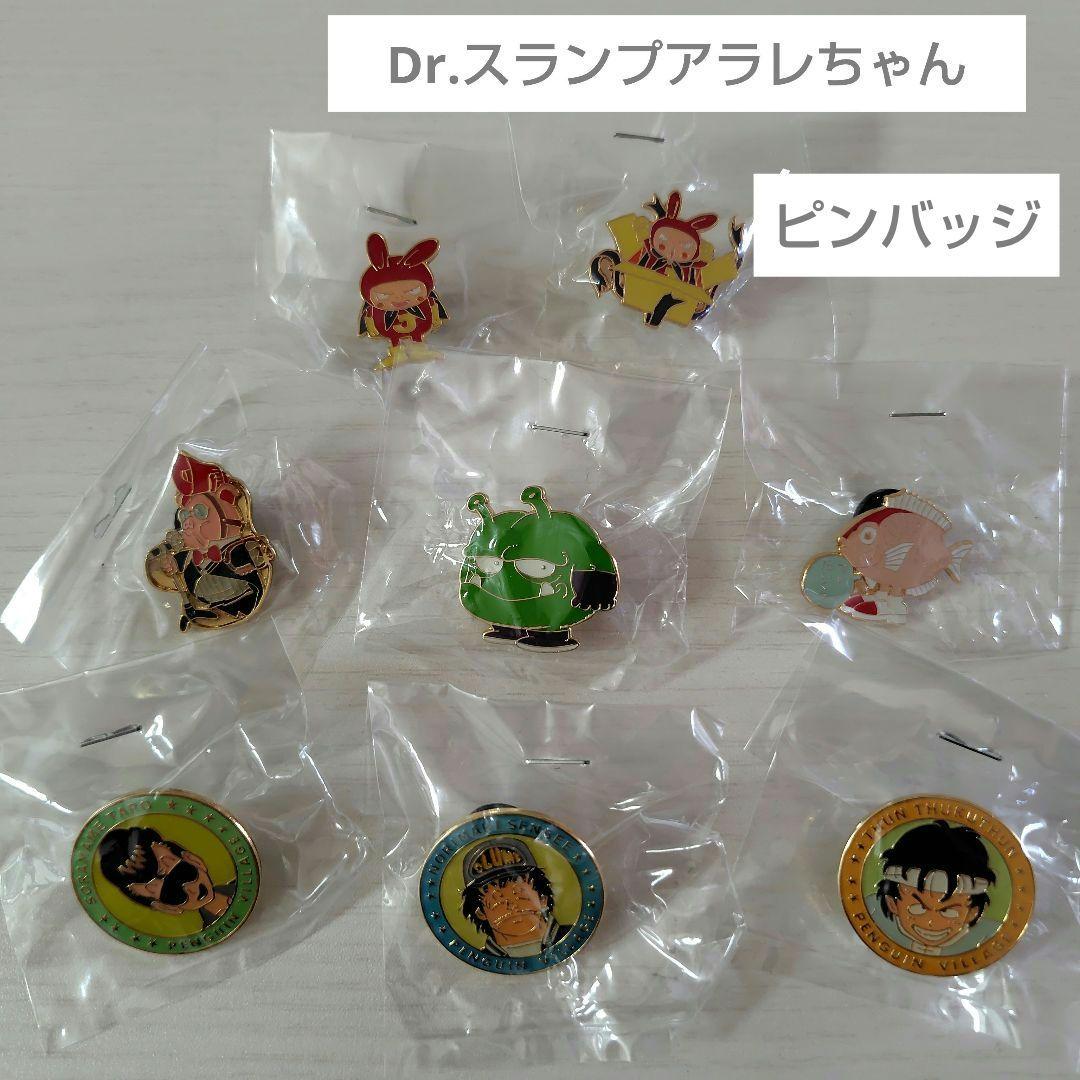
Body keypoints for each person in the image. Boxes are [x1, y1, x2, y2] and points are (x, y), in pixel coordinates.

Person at [873, 820, 997, 955]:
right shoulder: (873, 918)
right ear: (892, 903)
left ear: (972, 913)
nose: (931, 923)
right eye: (918, 908)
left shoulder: (991, 936)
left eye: (948, 912)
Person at [98, 825, 236, 929]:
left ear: (194, 860)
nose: (191, 890)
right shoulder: (211, 933)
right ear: (165, 907)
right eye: (172, 893)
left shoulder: (239, 885)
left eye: (183, 873)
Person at [460, 837, 572, 959]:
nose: (512, 906)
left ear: (543, 898)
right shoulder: (480, 958)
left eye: (520, 895)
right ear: (480, 912)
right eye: (498, 900)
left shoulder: (570, 936)